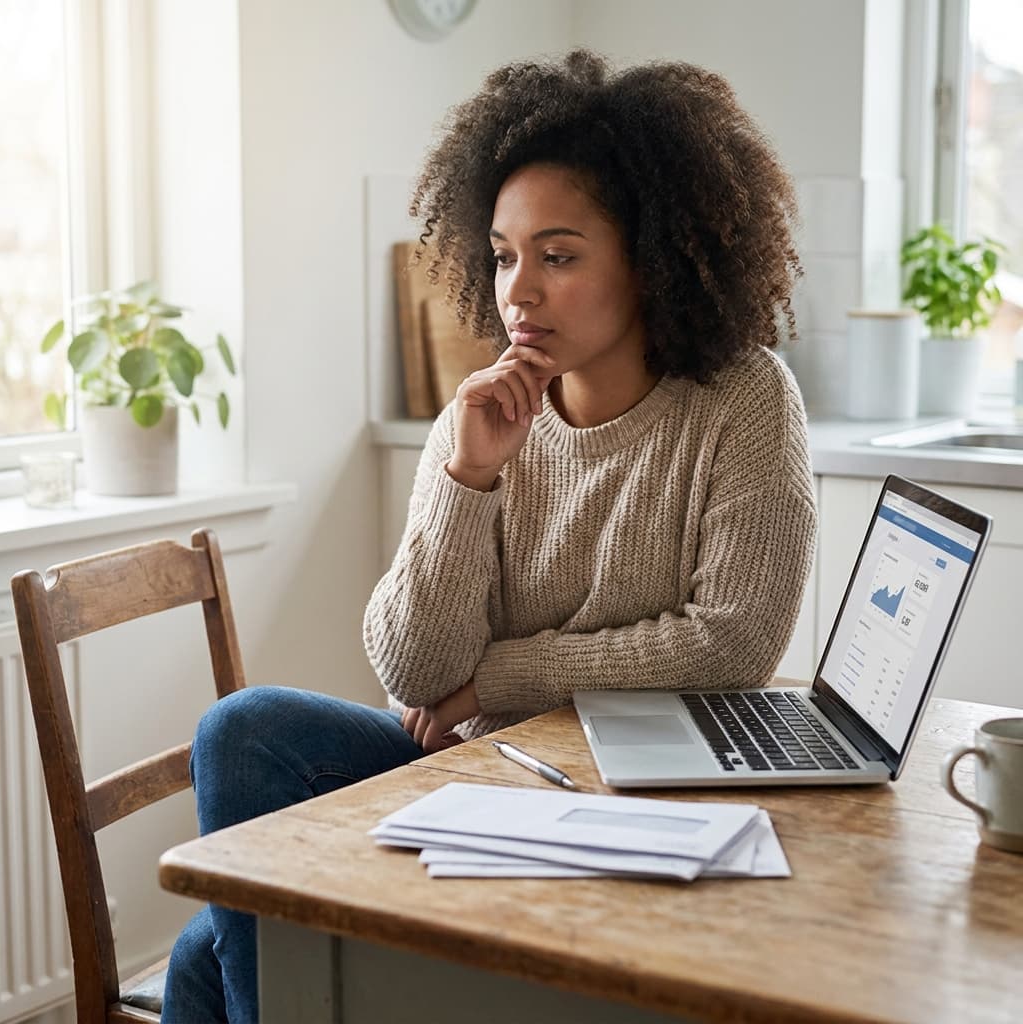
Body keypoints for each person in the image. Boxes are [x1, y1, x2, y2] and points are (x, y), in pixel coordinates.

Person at [162, 49, 816, 1022]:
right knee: (241, 730)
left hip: (647, 799)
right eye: (505, 256)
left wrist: (494, 681)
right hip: (483, 776)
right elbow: (414, 672)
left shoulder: (743, 398)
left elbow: (730, 643)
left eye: (557, 255)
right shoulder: (479, 420)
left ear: (649, 257)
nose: (519, 291)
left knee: (200, 960)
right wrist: (470, 477)